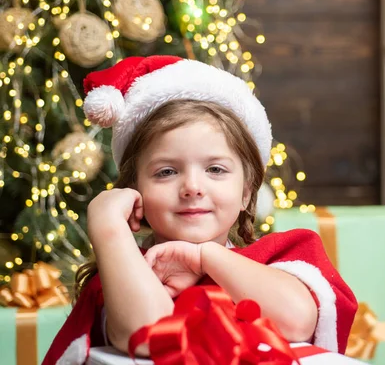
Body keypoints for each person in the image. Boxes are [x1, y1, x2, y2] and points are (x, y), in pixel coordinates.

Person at [43, 55, 357, 364]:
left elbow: (297, 320)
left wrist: (205, 257)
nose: (192, 187)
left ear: (247, 193)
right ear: (135, 193)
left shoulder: (277, 260)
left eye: (216, 169)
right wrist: (108, 226)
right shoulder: (127, 272)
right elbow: (149, 333)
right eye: (166, 171)